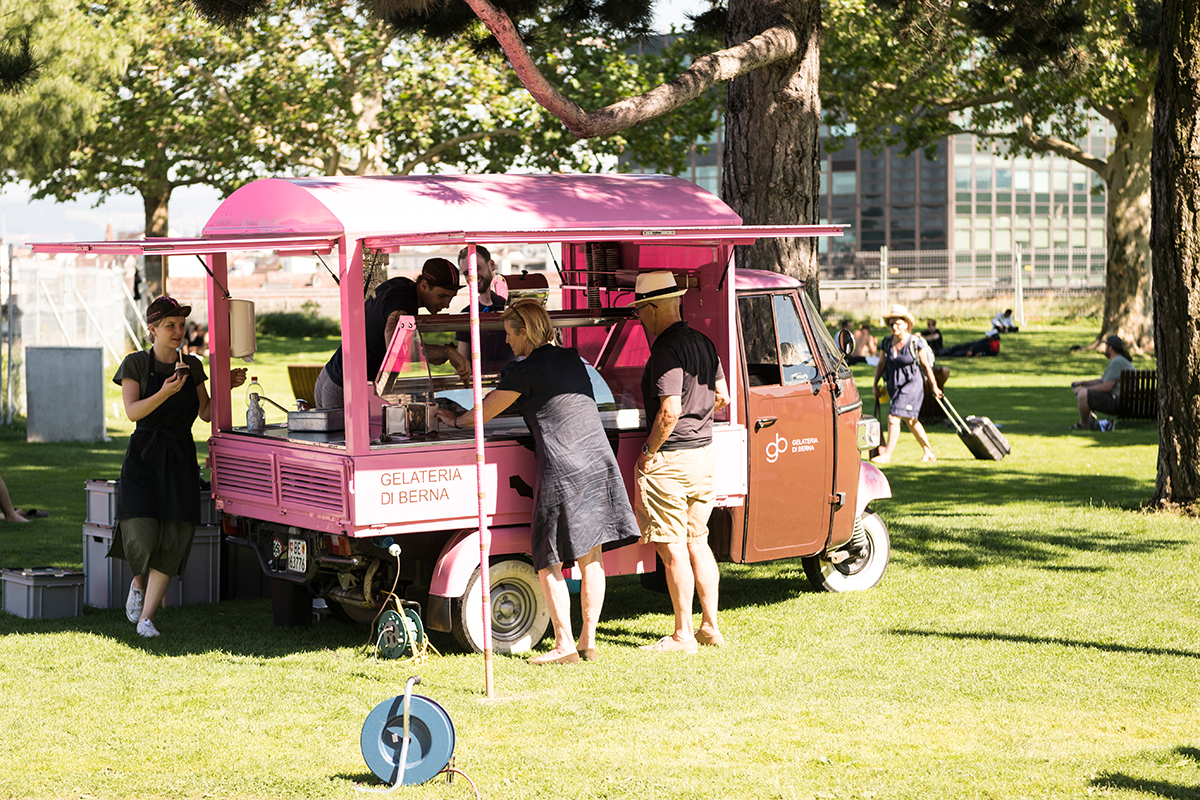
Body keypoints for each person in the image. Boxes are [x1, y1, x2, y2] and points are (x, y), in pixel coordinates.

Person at [435, 300, 639, 665]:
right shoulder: (570, 358)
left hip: (563, 466)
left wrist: (453, 421)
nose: (508, 343)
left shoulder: (522, 370)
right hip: (598, 459)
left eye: (510, 334)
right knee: (591, 556)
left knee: (548, 559)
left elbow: (485, 410)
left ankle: (563, 646)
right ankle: (587, 642)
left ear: (525, 331)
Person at [112, 296, 248, 637]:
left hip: (179, 457)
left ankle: (146, 619)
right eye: (169, 325)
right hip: (144, 455)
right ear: (152, 330)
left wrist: (224, 388)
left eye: (180, 325)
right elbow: (132, 411)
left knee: (176, 534)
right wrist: (165, 392)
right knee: (141, 530)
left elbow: (204, 413)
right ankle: (139, 582)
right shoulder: (135, 364)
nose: (177, 331)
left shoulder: (194, 365)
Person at [632, 271, 731, 654]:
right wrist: (699, 414)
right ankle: (710, 627)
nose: (641, 318)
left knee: (673, 549)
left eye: (641, 311)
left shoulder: (666, 350)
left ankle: (682, 634)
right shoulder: (703, 342)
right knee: (698, 542)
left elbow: (669, 412)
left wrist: (647, 453)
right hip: (704, 455)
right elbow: (721, 395)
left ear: (655, 307)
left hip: (671, 459)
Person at [314, 258, 470, 408]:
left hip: (333, 379)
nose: (446, 304)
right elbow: (396, 348)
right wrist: (447, 352)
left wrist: (437, 355)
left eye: (451, 298)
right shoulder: (403, 301)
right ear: (423, 285)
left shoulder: (402, 286)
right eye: (442, 296)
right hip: (343, 389)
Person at [871, 304, 943, 464]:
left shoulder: (916, 342)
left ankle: (887, 455)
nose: (894, 326)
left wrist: (934, 385)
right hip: (894, 385)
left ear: (906, 324)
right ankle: (928, 452)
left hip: (912, 385)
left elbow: (925, 366)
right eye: (891, 323)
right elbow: (881, 364)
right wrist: (875, 385)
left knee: (893, 417)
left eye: (897, 323)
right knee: (910, 420)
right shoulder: (886, 342)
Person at [455, 245, 515, 373]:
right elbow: (462, 364)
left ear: (492, 265)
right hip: (484, 387)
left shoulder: (517, 307)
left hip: (520, 385)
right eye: (467, 273)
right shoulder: (466, 313)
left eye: (477, 268)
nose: (473, 276)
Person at [1070, 334, 1134, 431]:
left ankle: (1084, 423)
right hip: (1125, 401)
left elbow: (1106, 387)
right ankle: (1088, 421)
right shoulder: (1121, 361)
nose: (1105, 349)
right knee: (1084, 391)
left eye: (1106, 346)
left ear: (1111, 348)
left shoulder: (1116, 363)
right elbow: (1102, 380)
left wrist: (1083, 389)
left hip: (1119, 403)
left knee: (1083, 394)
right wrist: (1082, 383)